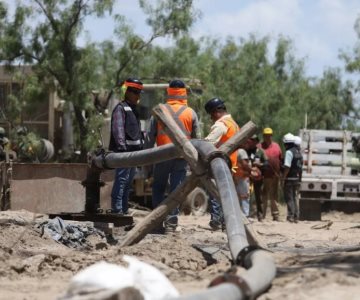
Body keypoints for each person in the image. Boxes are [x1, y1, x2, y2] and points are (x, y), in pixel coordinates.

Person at [148, 79, 200, 231]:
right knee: (176, 190)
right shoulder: (191, 113)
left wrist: (146, 160)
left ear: (169, 92)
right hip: (181, 158)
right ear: (184, 93)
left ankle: (156, 223)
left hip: (161, 157)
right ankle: (171, 223)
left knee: (158, 188)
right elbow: (197, 140)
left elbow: (150, 138)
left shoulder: (159, 110)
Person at [109, 78, 144, 215]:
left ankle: (123, 209)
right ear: (127, 92)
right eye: (135, 92)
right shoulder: (121, 108)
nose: (137, 95)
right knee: (121, 180)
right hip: (124, 153)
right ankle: (117, 209)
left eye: (139, 92)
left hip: (134, 154)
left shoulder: (134, 110)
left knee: (128, 182)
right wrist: (122, 149)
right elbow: (118, 130)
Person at [203, 97, 239, 230]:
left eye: (211, 114)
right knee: (225, 193)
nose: (211, 118)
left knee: (215, 192)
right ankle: (225, 222)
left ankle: (216, 220)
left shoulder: (221, 124)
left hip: (220, 163)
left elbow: (208, 143)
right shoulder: (233, 123)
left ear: (217, 111)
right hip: (231, 163)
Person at [259, 127, 283, 221]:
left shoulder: (276, 146)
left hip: (275, 175)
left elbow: (280, 159)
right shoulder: (260, 147)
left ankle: (275, 215)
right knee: (264, 194)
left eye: (269, 136)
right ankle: (262, 214)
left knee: (274, 195)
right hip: (264, 175)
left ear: (271, 136)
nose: (267, 137)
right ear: (263, 136)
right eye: (266, 135)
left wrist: (280, 172)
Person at [244, 134, 268, 221]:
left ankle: (260, 215)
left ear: (256, 142)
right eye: (250, 140)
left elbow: (266, 164)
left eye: (253, 140)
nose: (251, 142)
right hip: (247, 176)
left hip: (258, 177)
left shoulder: (261, 152)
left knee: (259, 196)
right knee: (247, 194)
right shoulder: (246, 151)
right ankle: (248, 214)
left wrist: (260, 164)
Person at [282, 133, 303, 223]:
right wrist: (300, 179)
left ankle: (290, 216)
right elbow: (301, 168)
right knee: (295, 198)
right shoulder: (299, 153)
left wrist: (283, 178)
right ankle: (296, 216)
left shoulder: (289, 152)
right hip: (296, 179)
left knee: (289, 198)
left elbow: (287, 166)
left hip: (289, 179)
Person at [233, 148, 252, 217]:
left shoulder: (233, 151)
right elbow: (244, 164)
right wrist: (251, 170)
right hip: (243, 176)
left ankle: (237, 214)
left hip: (234, 176)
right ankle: (245, 215)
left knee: (236, 196)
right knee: (245, 196)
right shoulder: (241, 151)